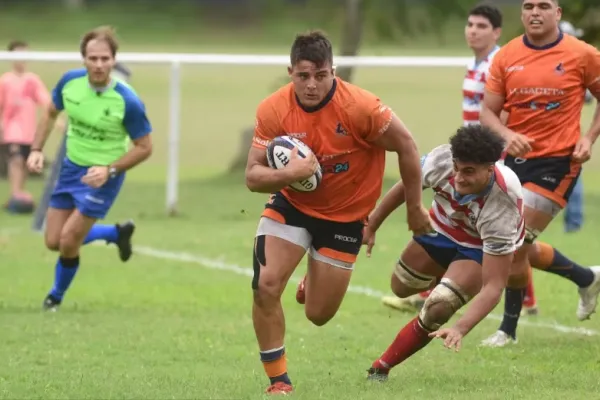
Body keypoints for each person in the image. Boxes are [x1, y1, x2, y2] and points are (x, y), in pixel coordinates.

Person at [245, 30, 431, 395]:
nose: (312, 85)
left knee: (318, 315)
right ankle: (279, 382)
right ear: (290, 72)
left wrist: (414, 208)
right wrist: (290, 175)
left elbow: (407, 146)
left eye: (321, 75)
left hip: (345, 218)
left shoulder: (362, 108)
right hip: (292, 206)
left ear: (333, 71)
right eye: (303, 76)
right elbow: (253, 177)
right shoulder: (273, 109)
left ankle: (310, 282)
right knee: (265, 286)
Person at [479, 0, 600, 347]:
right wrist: (507, 135)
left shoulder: (582, 54)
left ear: (558, 13)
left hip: (559, 162)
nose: (535, 12)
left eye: (543, 5)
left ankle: (507, 330)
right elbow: (488, 111)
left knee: (514, 241)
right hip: (515, 161)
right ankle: (585, 277)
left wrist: (588, 137)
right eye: (528, 5)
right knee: (516, 242)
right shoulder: (506, 56)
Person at [365, 124, 524, 381]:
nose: (459, 177)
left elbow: (494, 286)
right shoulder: (441, 159)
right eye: (457, 168)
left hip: (478, 246)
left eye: (469, 171)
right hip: (441, 227)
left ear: (489, 168)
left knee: (438, 308)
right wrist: (372, 224)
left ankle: (381, 367)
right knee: (401, 287)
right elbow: (407, 184)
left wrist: (460, 328)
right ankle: (450, 280)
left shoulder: (502, 204)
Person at [26, 26, 153, 311]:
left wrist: (109, 170)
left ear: (114, 60)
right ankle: (114, 234)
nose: (99, 65)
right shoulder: (70, 83)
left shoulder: (127, 100)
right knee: (52, 240)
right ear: (83, 59)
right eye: (93, 58)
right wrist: (36, 149)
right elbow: (49, 112)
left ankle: (54, 297)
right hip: (71, 170)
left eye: (105, 59)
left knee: (69, 241)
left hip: (104, 178)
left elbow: (145, 148)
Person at [0, 40, 51, 209]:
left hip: (28, 131)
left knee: (25, 162)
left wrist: (57, 120)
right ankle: (15, 193)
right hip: (11, 129)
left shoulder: (32, 80)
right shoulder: (5, 81)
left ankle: (19, 193)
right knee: (15, 160)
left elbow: (45, 102)